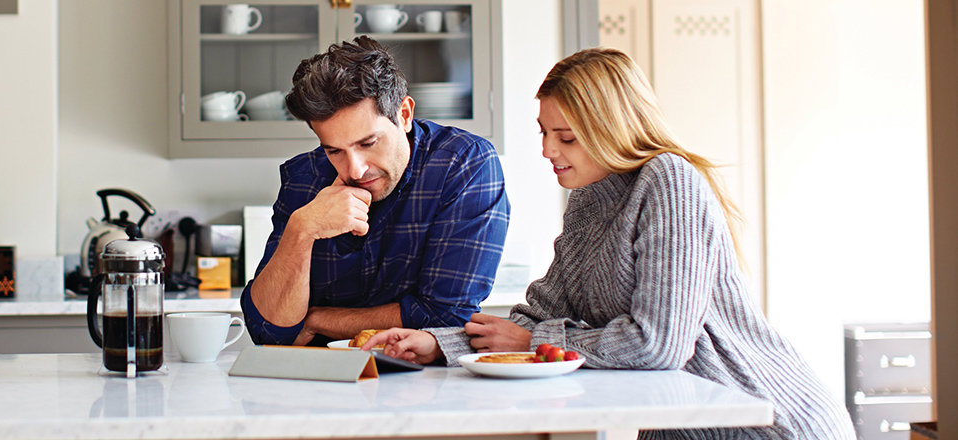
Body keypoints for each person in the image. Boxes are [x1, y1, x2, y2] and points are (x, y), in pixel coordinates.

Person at [363, 47, 855, 438]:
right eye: (544, 133)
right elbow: (538, 314)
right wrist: (437, 344)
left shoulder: (669, 181)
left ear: (612, 128)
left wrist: (535, 342)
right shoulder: (587, 198)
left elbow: (657, 344)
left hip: (768, 423)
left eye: (567, 137)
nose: (547, 150)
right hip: (683, 426)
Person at [240, 36, 510, 346]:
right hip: (318, 383)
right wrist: (302, 230)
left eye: (368, 143)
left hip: (422, 382)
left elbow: (446, 316)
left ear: (404, 115)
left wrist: (319, 319)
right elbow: (268, 331)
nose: (354, 169)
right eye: (334, 151)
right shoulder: (305, 178)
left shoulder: (463, 165)